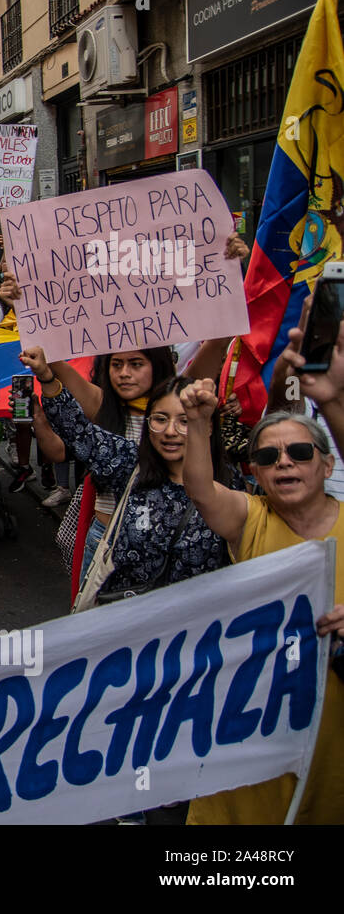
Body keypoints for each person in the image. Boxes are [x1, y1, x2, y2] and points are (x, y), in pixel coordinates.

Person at [179, 343, 344, 825]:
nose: (285, 463)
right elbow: (200, 489)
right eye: (269, 456)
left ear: (327, 465)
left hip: (331, 730)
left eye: (299, 452)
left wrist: (331, 401)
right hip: (253, 727)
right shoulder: (250, 518)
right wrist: (198, 422)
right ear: (255, 473)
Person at [24, 348, 235, 597]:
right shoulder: (128, 464)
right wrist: (47, 378)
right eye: (160, 419)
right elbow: (78, 430)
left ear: (206, 426)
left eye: (185, 421)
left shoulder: (230, 484)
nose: (170, 431)